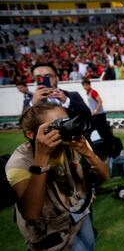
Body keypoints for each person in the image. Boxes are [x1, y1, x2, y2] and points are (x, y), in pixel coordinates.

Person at [5, 103, 109, 250]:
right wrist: (41, 157)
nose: (68, 127)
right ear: (31, 134)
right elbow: (31, 213)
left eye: (66, 121)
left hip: (77, 212)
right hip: (49, 229)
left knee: (90, 244)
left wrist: (87, 152)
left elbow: (105, 176)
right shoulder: (18, 163)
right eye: (58, 125)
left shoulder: (73, 143)